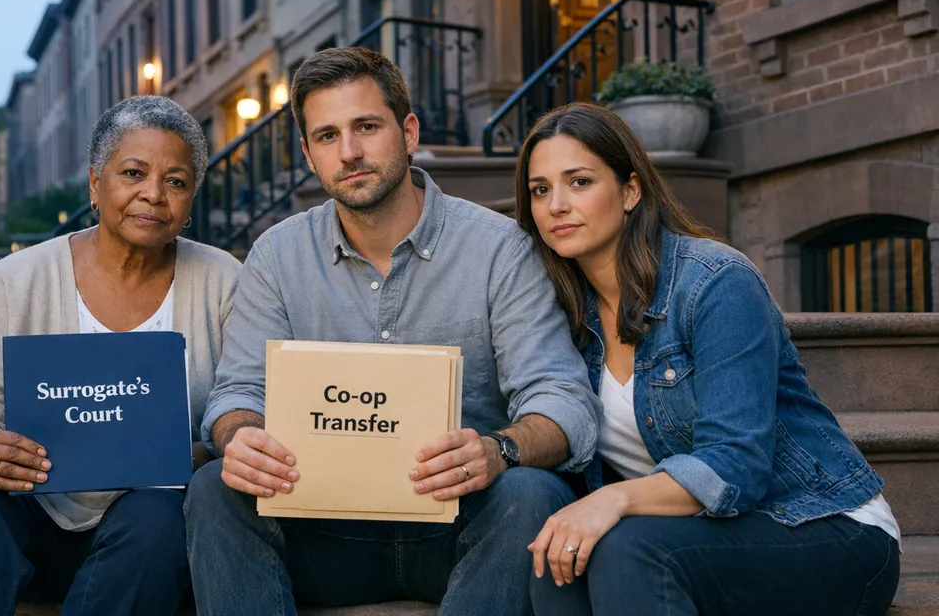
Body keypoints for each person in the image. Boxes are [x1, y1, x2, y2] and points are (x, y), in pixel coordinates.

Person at [185, 47, 600, 616]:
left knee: (533, 493)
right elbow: (237, 395)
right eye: (327, 136)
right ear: (308, 154)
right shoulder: (278, 255)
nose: (350, 152)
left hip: (460, 527)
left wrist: (499, 449)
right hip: (323, 527)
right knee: (214, 489)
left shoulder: (497, 248)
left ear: (408, 132)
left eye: (366, 127)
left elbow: (563, 400)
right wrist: (241, 439)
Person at [516, 102, 900, 615]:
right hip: (695, 536)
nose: (557, 205)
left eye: (579, 182)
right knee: (558, 558)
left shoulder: (714, 283)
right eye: (540, 190)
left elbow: (735, 464)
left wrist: (612, 500)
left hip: (821, 526)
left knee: (626, 547)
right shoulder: (560, 312)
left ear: (630, 190)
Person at [0, 97, 241, 616]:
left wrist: (197, 454)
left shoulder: (221, 281)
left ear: (191, 197)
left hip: (148, 538)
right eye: (133, 172)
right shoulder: (20, 279)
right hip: (29, 517)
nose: (153, 194)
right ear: (95, 183)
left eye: (175, 181)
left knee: (160, 513)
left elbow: (245, 402)